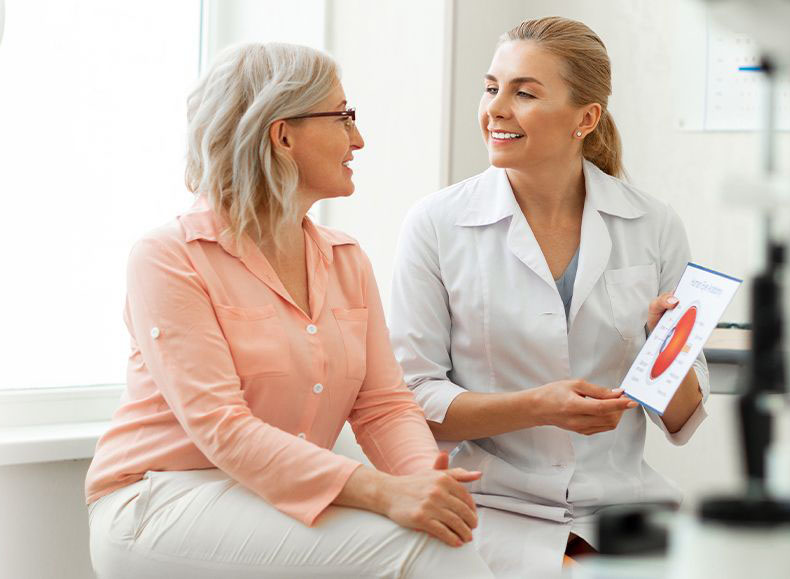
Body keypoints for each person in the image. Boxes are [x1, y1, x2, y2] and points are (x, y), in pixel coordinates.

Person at [85, 42, 494, 579]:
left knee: (444, 535)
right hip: (162, 498)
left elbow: (383, 406)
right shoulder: (168, 257)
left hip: (272, 497)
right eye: (344, 116)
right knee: (428, 551)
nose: (358, 139)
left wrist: (427, 482)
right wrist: (383, 491)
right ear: (282, 135)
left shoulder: (346, 259)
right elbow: (223, 427)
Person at [389, 16, 709, 577]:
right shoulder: (437, 223)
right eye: (492, 88)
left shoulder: (652, 223)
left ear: (585, 118)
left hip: (626, 508)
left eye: (524, 92)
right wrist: (538, 407)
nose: (496, 109)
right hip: (491, 508)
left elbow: (682, 419)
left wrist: (668, 351)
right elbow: (412, 400)